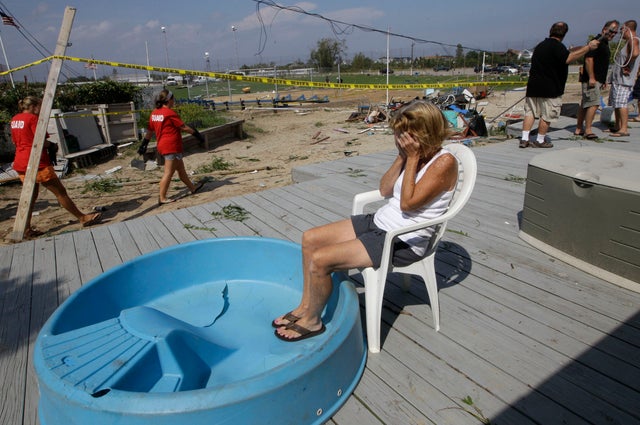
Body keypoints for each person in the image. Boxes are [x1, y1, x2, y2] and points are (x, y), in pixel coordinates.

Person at [273, 101, 459, 342]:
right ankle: (304, 306)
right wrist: (403, 156)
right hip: (381, 223)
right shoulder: (414, 154)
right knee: (310, 239)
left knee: (320, 261)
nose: (399, 139)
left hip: (403, 240)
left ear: (424, 134)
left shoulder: (444, 162)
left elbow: (408, 204)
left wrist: (412, 158)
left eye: (404, 135)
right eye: (398, 134)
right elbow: (385, 189)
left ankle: (313, 321)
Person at [10, 96, 102, 238]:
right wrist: (52, 146)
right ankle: (82, 218)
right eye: (40, 106)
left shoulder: (15, 119)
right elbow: (40, 140)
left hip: (21, 161)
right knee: (60, 192)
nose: (41, 110)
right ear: (33, 106)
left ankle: (25, 228)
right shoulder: (33, 119)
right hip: (36, 162)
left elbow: (16, 140)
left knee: (30, 197)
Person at [520, 22, 600, 148]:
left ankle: (524, 139)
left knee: (530, 112)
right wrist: (588, 47)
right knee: (547, 115)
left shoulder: (540, 46)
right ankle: (540, 140)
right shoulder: (558, 47)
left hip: (534, 87)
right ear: (564, 34)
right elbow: (568, 58)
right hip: (551, 89)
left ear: (551, 30)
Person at [140, 89, 205, 204]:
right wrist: (198, 135)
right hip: (171, 146)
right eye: (173, 99)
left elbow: (150, 131)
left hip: (163, 145)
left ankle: (192, 188)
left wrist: (144, 144)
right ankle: (162, 197)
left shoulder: (155, 113)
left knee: (181, 170)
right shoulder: (170, 113)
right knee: (168, 173)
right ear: (168, 100)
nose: (174, 101)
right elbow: (183, 127)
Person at [575, 20, 620, 139]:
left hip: (597, 78)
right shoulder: (597, 42)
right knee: (593, 104)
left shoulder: (604, 43)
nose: (613, 34)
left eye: (615, 33)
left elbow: (601, 63)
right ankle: (588, 130)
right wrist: (592, 77)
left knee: (585, 103)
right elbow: (589, 59)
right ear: (604, 29)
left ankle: (579, 128)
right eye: (611, 31)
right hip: (591, 79)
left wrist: (603, 80)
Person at [607, 20, 640, 137]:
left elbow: (635, 53)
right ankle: (617, 125)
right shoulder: (628, 42)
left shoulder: (634, 40)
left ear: (627, 29)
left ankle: (624, 129)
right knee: (616, 103)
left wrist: (626, 64)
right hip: (617, 79)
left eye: (622, 30)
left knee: (621, 103)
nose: (620, 32)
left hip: (624, 81)